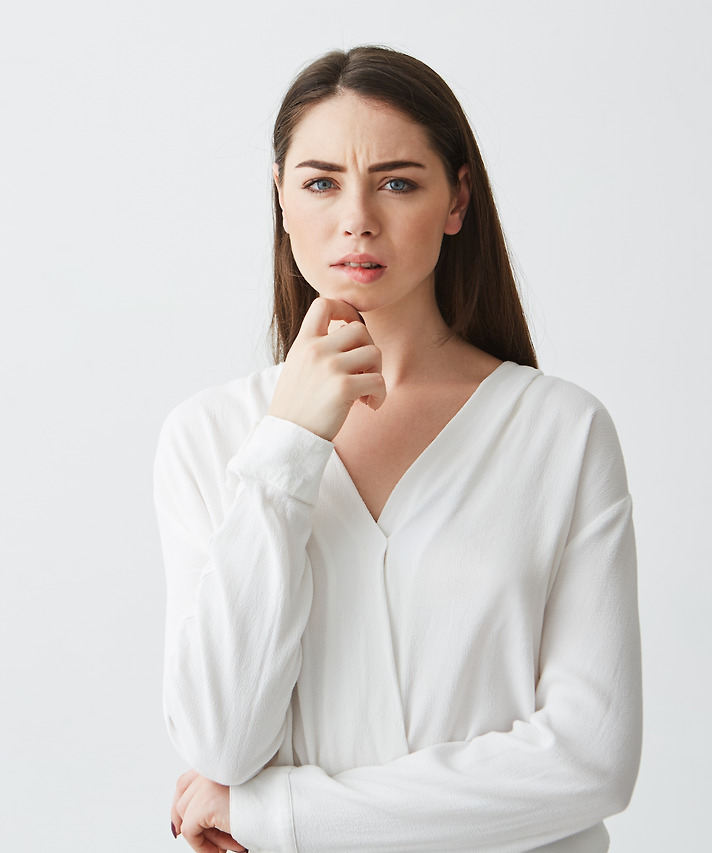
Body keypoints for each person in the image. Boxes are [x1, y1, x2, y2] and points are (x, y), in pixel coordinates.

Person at [153, 46, 641, 853]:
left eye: (397, 182)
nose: (357, 219)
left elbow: (591, 763)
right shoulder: (209, 435)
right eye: (320, 182)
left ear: (457, 199)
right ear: (280, 198)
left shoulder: (562, 434)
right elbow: (222, 741)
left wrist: (275, 814)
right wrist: (288, 446)